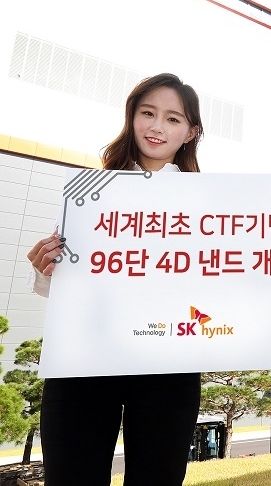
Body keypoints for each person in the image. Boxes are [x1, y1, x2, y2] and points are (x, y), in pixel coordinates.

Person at [27, 73, 203, 486]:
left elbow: (236, 277)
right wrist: (46, 266)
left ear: (191, 132)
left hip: (168, 362)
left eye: (173, 119)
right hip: (84, 358)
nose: (157, 127)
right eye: (147, 113)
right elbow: (70, 283)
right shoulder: (89, 192)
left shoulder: (209, 202)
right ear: (131, 117)